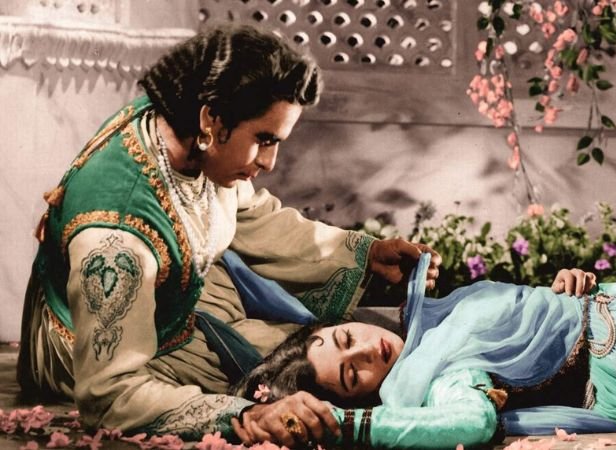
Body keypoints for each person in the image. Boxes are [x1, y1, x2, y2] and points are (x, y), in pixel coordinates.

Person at [16, 25, 441, 443]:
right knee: (274, 383)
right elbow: (109, 394)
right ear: (211, 121)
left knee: (291, 353)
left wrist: (367, 254)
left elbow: (252, 217)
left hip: (175, 299)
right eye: (264, 139)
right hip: (97, 348)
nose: (270, 162)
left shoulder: (186, 127)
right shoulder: (118, 238)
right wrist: (246, 414)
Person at [233, 254, 616, 448]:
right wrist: (340, 425)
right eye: (352, 374)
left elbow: (529, 321)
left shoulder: (426, 323)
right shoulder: (429, 381)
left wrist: (566, 291)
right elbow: (474, 420)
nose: (365, 352)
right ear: (361, 399)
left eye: (346, 339)